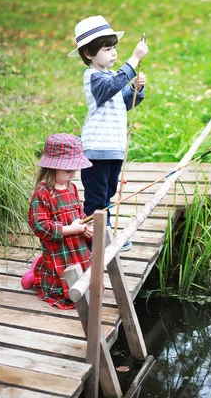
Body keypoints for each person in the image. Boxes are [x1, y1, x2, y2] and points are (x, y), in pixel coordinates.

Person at [68, 15, 149, 251]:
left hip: (113, 148)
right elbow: (109, 89)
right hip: (97, 149)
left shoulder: (111, 77)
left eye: (114, 48)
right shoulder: (93, 77)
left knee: (108, 195)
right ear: (89, 54)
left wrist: (135, 88)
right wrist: (133, 60)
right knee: (96, 197)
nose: (113, 53)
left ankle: (104, 235)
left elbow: (123, 101)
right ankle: (94, 239)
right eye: (107, 48)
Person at [28, 133, 94, 310]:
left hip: (77, 248)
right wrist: (70, 230)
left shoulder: (71, 187)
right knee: (64, 290)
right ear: (52, 168)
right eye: (68, 170)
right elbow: (40, 226)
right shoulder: (43, 193)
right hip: (59, 252)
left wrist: (85, 227)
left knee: (87, 285)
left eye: (75, 169)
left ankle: (36, 268)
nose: (73, 174)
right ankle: (36, 272)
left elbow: (79, 215)